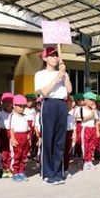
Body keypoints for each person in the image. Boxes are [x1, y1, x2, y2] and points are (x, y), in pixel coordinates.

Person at [34, 47, 72, 185]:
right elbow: (44, 92)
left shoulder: (62, 73)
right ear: (45, 58)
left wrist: (64, 75)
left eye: (56, 55)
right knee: (48, 139)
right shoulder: (40, 74)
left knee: (60, 140)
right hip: (48, 104)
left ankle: (57, 171)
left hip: (61, 104)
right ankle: (47, 173)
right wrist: (57, 78)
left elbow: (69, 90)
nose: (55, 58)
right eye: (52, 55)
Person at [10, 95, 31, 182]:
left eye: (23, 106)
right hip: (17, 137)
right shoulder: (13, 116)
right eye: (20, 106)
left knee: (24, 155)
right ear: (14, 105)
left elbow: (28, 128)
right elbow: (11, 129)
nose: (22, 108)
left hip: (24, 137)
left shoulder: (25, 116)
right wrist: (13, 139)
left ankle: (21, 171)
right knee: (16, 155)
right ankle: (15, 172)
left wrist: (28, 138)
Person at [75, 91, 97, 170]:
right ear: (86, 100)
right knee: (85, 146)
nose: (93, 102)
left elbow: (96, 120)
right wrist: (92, 113)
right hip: (85, 128)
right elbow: (83, 119)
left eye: (94, 100)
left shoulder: (94, 110)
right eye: (91, 100)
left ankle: (89, 161)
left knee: (91, 145)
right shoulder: (81, 109)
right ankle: (85, 161)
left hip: (92, 128)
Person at [0, 93, 14, 178]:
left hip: (12, 133)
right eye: (6, 102)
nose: (8, 104)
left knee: (11, 151)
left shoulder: (14, 113)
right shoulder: (0, 113)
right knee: (3, 151)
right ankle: (3, 168)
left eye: (10, 102)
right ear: (2, 103)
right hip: (3, 133)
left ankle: (10, 167)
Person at [63, 96, 76, 178]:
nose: (71, 104)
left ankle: (66, 169)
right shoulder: (59, 116)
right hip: (61, 134)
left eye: (72, 102)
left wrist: (74, 134)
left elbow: (73, 127)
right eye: (69, 102)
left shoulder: (71, 116)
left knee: (67, 152)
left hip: (69, 134)